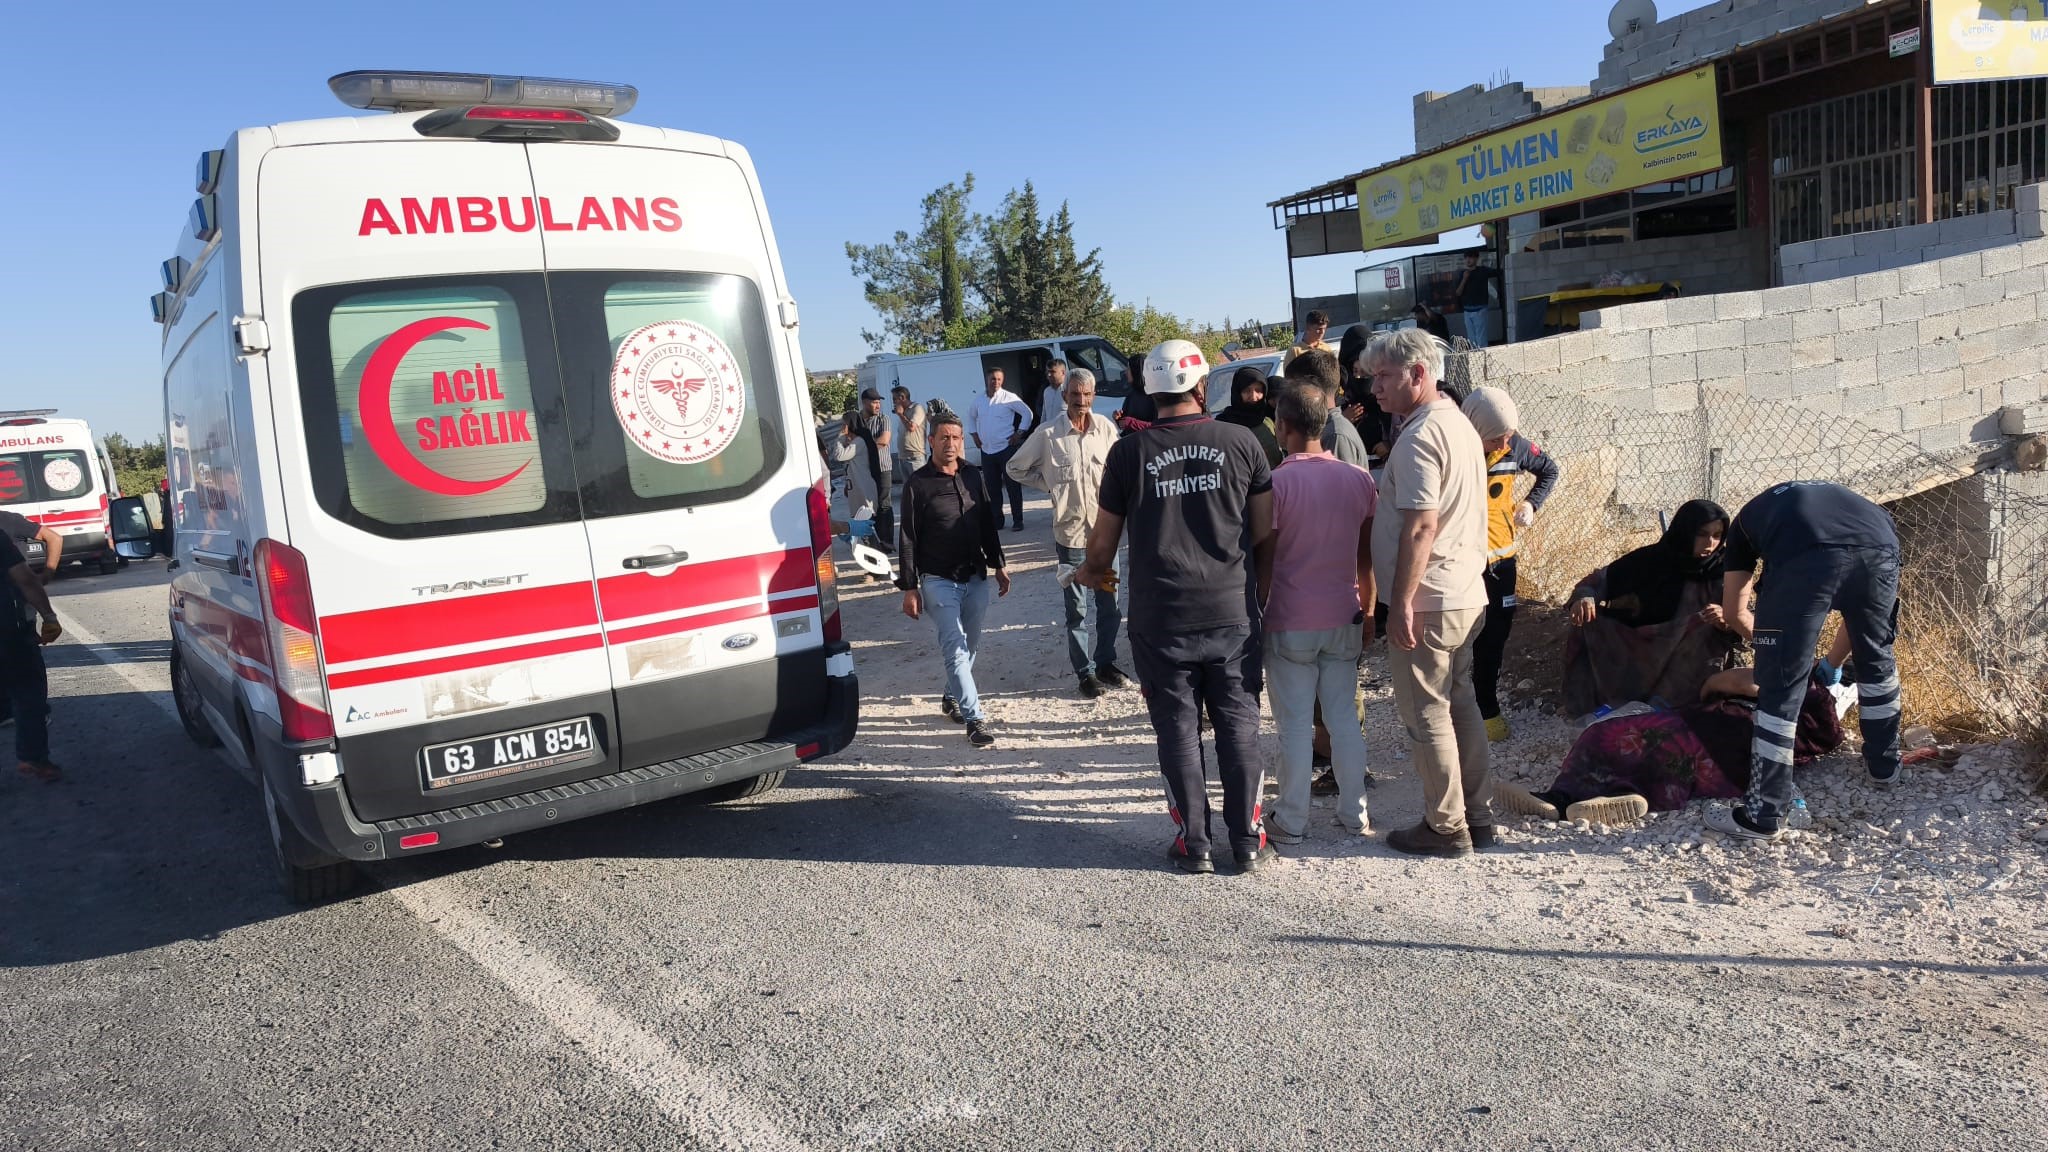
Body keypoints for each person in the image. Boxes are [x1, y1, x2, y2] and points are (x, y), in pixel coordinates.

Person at [1075, 339, 1275, 875]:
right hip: (1232, 612)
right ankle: (1248, 838)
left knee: (1178, 730)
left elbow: (1101, 544)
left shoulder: (1127, 454)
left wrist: (1092, 573)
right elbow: (1262, 531)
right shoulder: (1241, 442)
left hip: (1160, 618)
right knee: (1239, 724)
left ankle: (1195, 843)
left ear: (1147, 389)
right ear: (1203, 385)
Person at [1706, 482, 1902, 841]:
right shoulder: (1858, 506)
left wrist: (1782, 653)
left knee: (1780, 689)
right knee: (1877, 658)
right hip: (1882, 547)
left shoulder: (1744, 527)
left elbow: (1735, 611)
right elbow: (1860, 629)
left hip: (1808, 559)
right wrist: (1830, 662)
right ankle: (1885, 767)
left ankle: (1762, 813)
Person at [1499, 629, 1849, 825]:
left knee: (1612, 736)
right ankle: (1596, 799)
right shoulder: (1824, 710)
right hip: (1731, 757)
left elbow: (1720, 683)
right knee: (1650, 751)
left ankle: (1562, 797)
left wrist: (1722, 690)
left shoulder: (1806, 686)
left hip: (1713, 729)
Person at [1365, 328, 1493, 856]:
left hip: (1432, 599)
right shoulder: (1458, 424)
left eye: (1384, 376)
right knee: (1461, 704)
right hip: (1466, 592)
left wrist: (1401, 604)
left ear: (1419, 373)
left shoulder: (1420, 437)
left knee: (1427, 713)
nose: (1375, 388)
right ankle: (1478, 816)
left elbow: (1421, 526)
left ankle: (1445, 826)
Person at [1255, 382, 1376, 845]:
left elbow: (1264, 556)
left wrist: (1258, 612)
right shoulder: (1358, 480)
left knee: (1293, 725)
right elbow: (1365, 557)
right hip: (1344, 612)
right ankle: (1355, 814)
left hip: (1289, 619)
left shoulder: (1276, 484)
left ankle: (1292, 819)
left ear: (1282, 426)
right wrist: (1368, 610)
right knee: (1343, 717)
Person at [1007, 367, 1127, 698]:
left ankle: (1105, 662)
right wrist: (1048, 484)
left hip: (1104, 537)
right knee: (1077, 611)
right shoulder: (1047, 435)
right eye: (1075, 395)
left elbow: (1118, 471)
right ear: (1065, 396)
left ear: (1094, 396)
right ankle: (1085, 673)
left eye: (1087, 395)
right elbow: (1014, 467)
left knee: (1110, 606)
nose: (1082, 401)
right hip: (1071, 538)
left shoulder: (1105, 429)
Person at [1562, 499, 1739, 717]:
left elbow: (1740, 620)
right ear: (1684, 532)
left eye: (1717, 535)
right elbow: (1596, 582)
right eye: (1701, 534)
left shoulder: (1725, 571)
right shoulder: (1649, 560)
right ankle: (1594, 704)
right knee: (1588, 619)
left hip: (1691, 658)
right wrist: (1584, 598)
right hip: (1645, 647)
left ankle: (1679, 709)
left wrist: (1725, 619)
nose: (1710, 543)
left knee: (1703, 631)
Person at [897, 413, 1011, 749]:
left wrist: (999, 565)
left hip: (974, 575)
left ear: (963, 441)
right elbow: (907, 538)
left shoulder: (973, 475)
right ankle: (974, 719)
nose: (950, 444)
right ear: (930, 441)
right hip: (937, 579)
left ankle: (951, 696)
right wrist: (909, 587)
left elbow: (988, 525)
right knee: (955, 647)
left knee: (970, 645)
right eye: (944, 438)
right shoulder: (917, 484)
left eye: (956, 438)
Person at [1460, 386, 1562, 742]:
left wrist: (1531, 504)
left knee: (1495, 634)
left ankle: (1487, 710)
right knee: (1459, 637)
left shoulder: (1515, 444)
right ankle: (1455, 713)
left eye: (1508, 435)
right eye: (1497, 437)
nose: (1505, 442)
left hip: (1501, 560)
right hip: (1461, 561)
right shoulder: (1456, 449)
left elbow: (1549, 470)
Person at [1, 520, 64, 781]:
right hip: (8, 631)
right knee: (28, 692)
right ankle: (34, 758)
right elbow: (25, 579)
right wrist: (48, 616)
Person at [969, 368, 1032, 533]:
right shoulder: (979, 401)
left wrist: (1019, 433)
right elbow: (970, 417)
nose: (995, 382)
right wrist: (974, 435)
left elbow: (1027, 413)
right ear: (986, 379)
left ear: (1002, 381)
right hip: (987, 451)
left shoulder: (1009, 398)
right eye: (992, 379)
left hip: (1006, 449)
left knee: (1013, 486)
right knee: (992, 488)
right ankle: (997, 521)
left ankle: (1018, 520)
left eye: (998, 379)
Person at [1283, 349, 1368, 468]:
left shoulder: (1335, 435)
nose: (1291, 393)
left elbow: (1339, 484)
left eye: (1294, 386)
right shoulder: (1325, 428)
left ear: (1312, 386)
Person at [1336, 326, 1392, 466]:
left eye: (1367, 373)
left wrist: (1390, 443)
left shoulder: (1386, 395)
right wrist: (1342, 420)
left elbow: (1403, 428)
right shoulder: (1338, 395)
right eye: (1355, 372)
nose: (1360, 377)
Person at [1214, 365, 1282, 468]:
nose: (1254, 396)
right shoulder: (1224, 423)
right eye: (1247, 391)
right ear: (1238, 392)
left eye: (1258, 390)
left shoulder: (1268, 420)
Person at [859, 388, 894, 551]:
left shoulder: (883, 419)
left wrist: (860, 448)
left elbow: (884, 440)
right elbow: (846, 444)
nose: (878, 405)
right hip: (863, 471)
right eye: (874, 402)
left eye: (879, 402)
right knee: (866, 508)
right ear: (865, 402)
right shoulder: (857, 421)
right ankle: (873, 542)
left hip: (882, 468)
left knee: (884, 505)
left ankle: (887, 543)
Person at [1454, 252, 1500, 350]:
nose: (1468, 260)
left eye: (1470, 257)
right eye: (1466, 257)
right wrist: (1464, 279)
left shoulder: (1483, 271)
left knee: (1481, 338)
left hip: (1480, 309)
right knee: (1471, 339)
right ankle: (1475, 359)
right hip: (1467, 311)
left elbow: (1498, 272)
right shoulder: (1462, 273)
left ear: (1476, 258)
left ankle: (1483, 359)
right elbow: (1458, 293)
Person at [1113, 348, 1158, 436]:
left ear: (1137, 371)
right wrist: (1118, 419)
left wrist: (1131, 423)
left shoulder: (1155, 395)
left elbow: (1158, 427)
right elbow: (1125, 423)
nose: (1126, 372)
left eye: (1129, 369)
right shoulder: (1132, 394)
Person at [892, 385, 928, 473]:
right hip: (903, 457)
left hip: (915, 457)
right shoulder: (903, 412)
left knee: (918, 486)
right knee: (907, 486)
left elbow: (912, 427)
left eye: (894, 399)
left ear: (902, 397)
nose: (893, 402)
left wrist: (900, 415)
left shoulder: (917, 408)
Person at [1038, 358, 1070, 428]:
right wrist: (1040, 430)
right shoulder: (1047, 391)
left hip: (1065, 434)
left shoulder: (1071, 390)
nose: (1049, 375)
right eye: (1047, 372)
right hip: (1049, 434)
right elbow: (1044, 414)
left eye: (1052, 372)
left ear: (1063, 372)